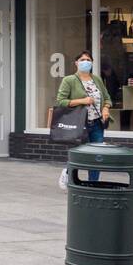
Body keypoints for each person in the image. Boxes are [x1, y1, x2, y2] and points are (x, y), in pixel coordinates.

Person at [55, 50, 112, 179]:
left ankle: (93, 183)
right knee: (78, 154)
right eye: (82, 60)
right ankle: (69, 175)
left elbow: (107, 97)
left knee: (97, 155)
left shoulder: (96, 79)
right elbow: (61, 101)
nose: (85, 62)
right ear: (76, 63)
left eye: (88, 60)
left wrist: (106, 108)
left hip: (97, 122)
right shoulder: (69, 80)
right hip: (80, 123)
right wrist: (82, 101)